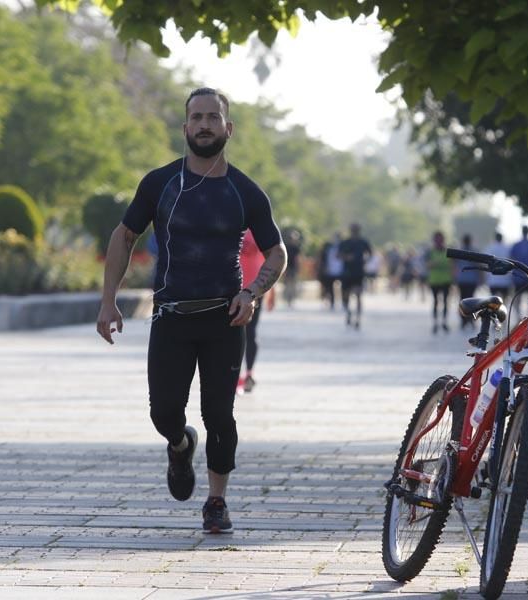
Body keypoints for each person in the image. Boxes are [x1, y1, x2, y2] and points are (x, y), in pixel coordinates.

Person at [96, 87, 287, 534]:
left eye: (213, 118)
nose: (204, 125)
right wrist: (108, 301)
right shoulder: (160, 183)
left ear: (228, 128)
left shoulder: (245, 191)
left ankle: (217, 501)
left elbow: (276, 252)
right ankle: (180, 446)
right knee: (164, 414)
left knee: (220, 413)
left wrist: (253, 292)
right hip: (172, 318)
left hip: (225, 318)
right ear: (185, 127)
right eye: (196, 118)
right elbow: (125, 237)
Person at [237, 229, 271, 395]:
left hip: (255, 289)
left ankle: (249, 373)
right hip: (231, 288)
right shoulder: (230, 223)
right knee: (232, 333)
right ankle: (234, 374)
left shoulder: (259, 225)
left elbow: (271, 260)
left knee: (250, 332)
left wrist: (272, 291)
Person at [339, 223, 372, 329]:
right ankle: (348, 312)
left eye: (356, 229)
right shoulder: (345, 242)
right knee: (346, 296)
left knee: (358, 295)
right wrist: (346, 257)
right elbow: (338, 255)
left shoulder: (363, 242)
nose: (355, 231)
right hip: (347, 272)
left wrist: (365, 261)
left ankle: (358, 318)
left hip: (358, 272)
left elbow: (370, 254)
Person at [425, 231, 454, 334]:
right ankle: (435, 323)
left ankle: (444, 322)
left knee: (446, 302)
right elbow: (427, 265)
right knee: (436, 302)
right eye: (437, 240)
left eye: (440, 240)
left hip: (446, 280)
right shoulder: (430, 251)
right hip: (434, 280)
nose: (439, 242)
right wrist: (433, 264)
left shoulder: (448, 251)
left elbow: (452, 266)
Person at [454, 233, 483, 329]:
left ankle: (463, 320)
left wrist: (454, 277)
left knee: (462, 300)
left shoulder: (459, 251)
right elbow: (479, 266)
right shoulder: (475, 251)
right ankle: (471, 320)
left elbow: (454, 265)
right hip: (472, 279)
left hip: (462, 279)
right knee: (472, 301)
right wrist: (481, 278)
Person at [483, 231, 513, 300]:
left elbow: (485, 262)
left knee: (493, 299)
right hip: (505, 279)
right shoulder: (507, 248)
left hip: (493, 279)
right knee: (504, 299)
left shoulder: (490, 248)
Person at [318, 232, 343, 310]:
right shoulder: (328, 247)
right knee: (330, 287)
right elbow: (322, 258)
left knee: (344, 287)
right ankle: (332, 302)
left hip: (342, 271)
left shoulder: (344, 246)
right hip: (330, 270)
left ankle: (344, 302)